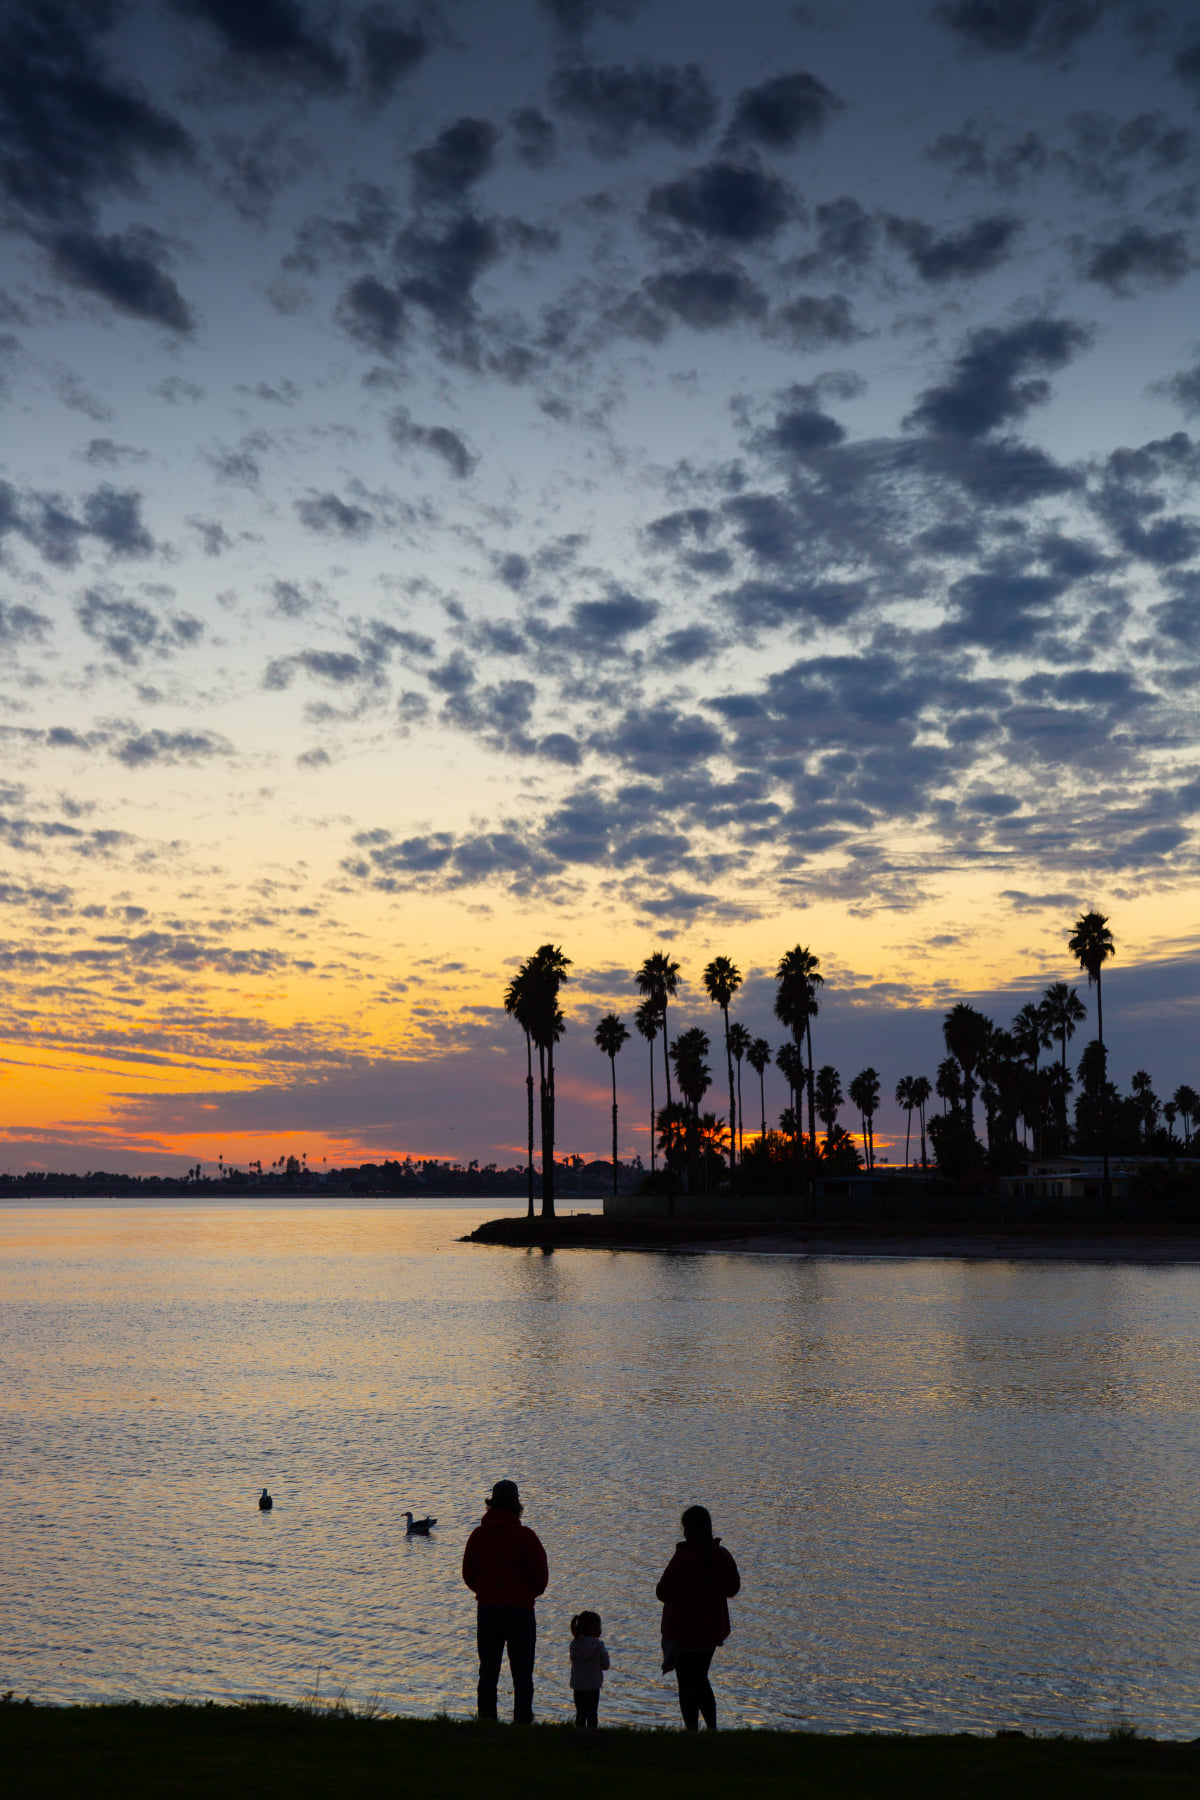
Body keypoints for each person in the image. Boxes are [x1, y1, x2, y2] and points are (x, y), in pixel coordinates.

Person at [462, 1478, 549, 1724]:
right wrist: (526, 1595)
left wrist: (485, 1592)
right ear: (517, 1504)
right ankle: (522, 1723)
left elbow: (468, 1573)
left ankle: (486, 1722)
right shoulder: (527, 1537)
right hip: (521, 1612)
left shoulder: (478, 1536)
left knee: (488, 1672)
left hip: (488, 1610)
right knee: (523, 1674)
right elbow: (541, 1579)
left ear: (492, 1502)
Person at [655, 1504, 740, 1731]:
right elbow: (733, 1588)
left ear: (688, 1530)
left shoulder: (683, 1557)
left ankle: (691, 1729)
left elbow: (662, 1591)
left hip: (683, 1631)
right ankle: (711, 1728)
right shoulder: (721, 1555)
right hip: (711, 1631)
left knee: (686, 1682)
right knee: (701, 1679)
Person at [568, 1609, 610, 1730]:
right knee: (592, 1714)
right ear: (592, 1629)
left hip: (578, 1686)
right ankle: (592, 1735)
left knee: (580, 1714)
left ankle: (579, 1734)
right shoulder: (598, 1645)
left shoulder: (574, 1645)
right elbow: (605, 1665)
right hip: (593, 1686)